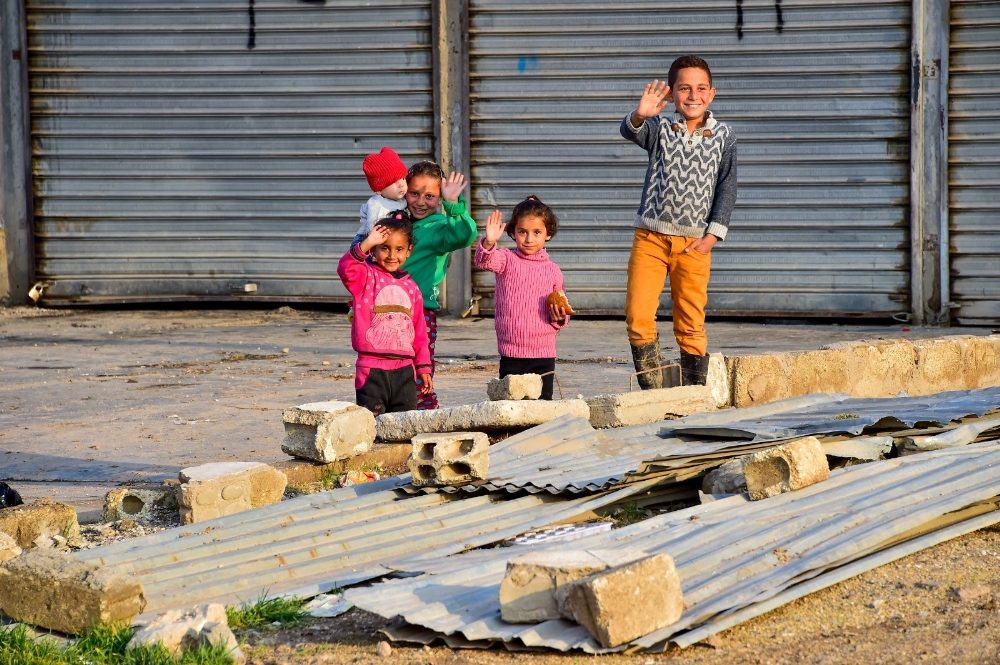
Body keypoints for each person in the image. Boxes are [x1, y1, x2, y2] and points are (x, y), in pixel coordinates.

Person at [619, 55, 737, 388]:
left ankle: (694, 393)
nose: (693, 95)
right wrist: (640, 115)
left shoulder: (724, 136)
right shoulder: (658, 128)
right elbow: (631, 131)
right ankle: (653, 393)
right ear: (671, 94)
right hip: (651, 240)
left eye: (701, 88)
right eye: (684, 88)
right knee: (639, 315)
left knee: (690, 322)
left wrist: (713, 236)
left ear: (711, 94)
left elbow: (727, 187)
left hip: (694, 245)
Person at [474, 196, 570, 400]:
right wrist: (489, 242)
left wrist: (560, 317)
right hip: (512, 353)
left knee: (542, 406)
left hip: (543, 352)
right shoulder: (506, 260)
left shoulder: (553, 271)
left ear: (548, 234)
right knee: (510, 406)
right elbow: (485, 261)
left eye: (537, 232)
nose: (529, 239)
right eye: (522, 232)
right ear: (512, 233)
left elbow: (563, 309)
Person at [337, 211, 432, 415]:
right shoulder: (365, 278)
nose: (391, 255)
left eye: (399, 249)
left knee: (405, 426)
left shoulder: (412, 288)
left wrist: (423, 367)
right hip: (371, 370)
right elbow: (346, 269)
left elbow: (419, 331)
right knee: (372, 426)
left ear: (409, 251)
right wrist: (365, 244)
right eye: (384, 248)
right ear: (374, 250)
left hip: (405, 371)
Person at [401, 161, 478, 409]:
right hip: (388, 309)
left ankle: (425, 409)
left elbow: (465, 235)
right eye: (414, 193)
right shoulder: (396, 222)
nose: (421, 202)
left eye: (430, 196)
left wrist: (453, 204)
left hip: (420, 312)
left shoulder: (439, 228)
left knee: (420, 365)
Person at [356, 147, 408, 243]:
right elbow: (371, 229)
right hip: (368, 242)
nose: (401, 184)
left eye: (403, 178)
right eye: (394, 182)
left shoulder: (403, 199)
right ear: (379, 190)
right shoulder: (376, 204)